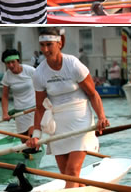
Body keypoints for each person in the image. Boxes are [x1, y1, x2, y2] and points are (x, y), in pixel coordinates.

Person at [26, 27, 110, 188]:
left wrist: (101, 117)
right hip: (57, 125)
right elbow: (40, 108)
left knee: (72, 171)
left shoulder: (73, 65)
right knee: (68, 175)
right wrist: (36, 134)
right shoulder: (39, 73)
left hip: (81, 121)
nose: (45, 49)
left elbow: (93, 94)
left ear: (60, 43)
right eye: (42, 45)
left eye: (49, 44)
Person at [0, 49, 35, 139]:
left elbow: (43, 86)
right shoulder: (7, 76)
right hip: (19, 112)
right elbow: (5, 96)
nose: (11, 65)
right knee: (24, 141)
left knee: (32, 137)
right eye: (8, 63)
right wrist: (5, 113)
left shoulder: (30, 70)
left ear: (18, 61)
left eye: (13, 62)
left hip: (34, 109)